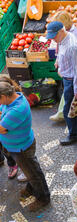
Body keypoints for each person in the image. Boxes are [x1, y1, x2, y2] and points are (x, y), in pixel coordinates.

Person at [0, 81, 51, 211]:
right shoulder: (13, 99)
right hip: (17, 145)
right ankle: (31, 187)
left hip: (21, 148)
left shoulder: (17, 109)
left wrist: (3, 126)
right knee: (30, 170)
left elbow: (1, 128)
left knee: (34, 173)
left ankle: (43, 198)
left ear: (4, 96)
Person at [0, 76, 27, 181]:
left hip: (20, 145)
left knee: (31, 169)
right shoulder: (9, 102)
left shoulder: (16, 109)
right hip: (13, 143)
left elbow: (3, 129)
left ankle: (40, 194)